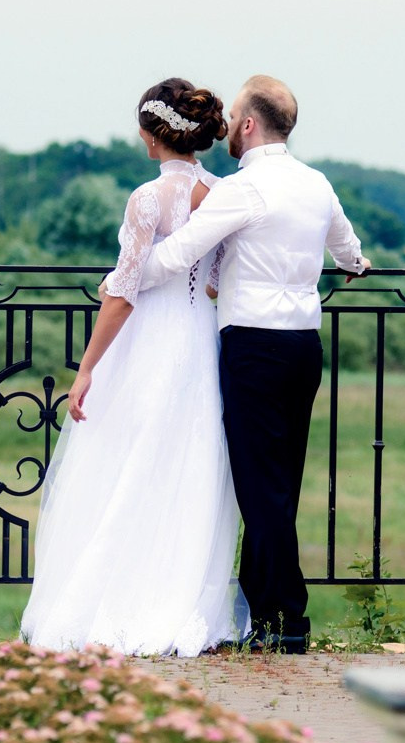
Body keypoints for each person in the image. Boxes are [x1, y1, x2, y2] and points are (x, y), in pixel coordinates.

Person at [120, 75, 370, 654]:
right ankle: (268, 611)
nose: (227, 126)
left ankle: (288, 620)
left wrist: (127, 272)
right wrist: (359, 264)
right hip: (304, 346)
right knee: (280, 482)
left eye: (234, 117)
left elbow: (178, 256)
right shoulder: (316, 183)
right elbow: (347, 249)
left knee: (260, 489)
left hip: (253, 345)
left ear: (250, 125)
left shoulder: (244, 188)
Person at [19, 78, 245, 656]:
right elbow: (214, 280)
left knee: (126, 462)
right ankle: (183, 598)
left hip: (148, 342)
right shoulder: (221, 193)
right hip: (198, 339)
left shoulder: (147, 198)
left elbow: (123, 293)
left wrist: (87, 367)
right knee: (186, 462)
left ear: (154, 132)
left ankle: (114, 600)